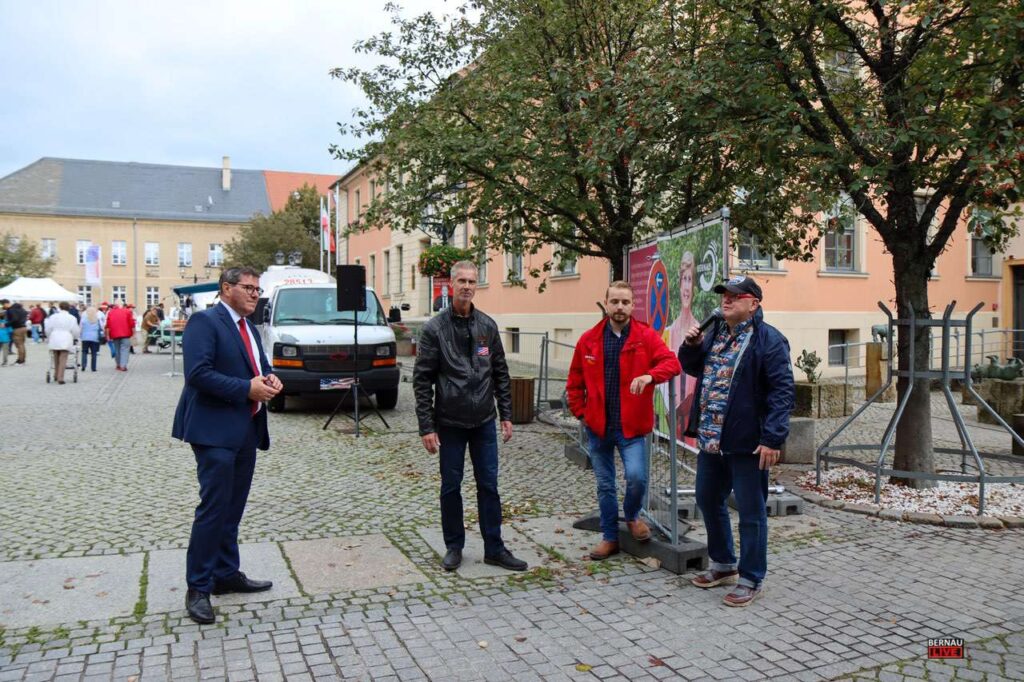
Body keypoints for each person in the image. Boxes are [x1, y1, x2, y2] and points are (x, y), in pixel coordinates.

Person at [172, 266, 282, 625]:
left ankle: (225, 573)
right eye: (248, 288)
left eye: (257, 289)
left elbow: (257, 366)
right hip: (213, 430)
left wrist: (270, 377)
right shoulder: (206, 322)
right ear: (226, 289)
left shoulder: (249, 327)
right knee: (213, 509)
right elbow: (198, 373)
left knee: (233, 508)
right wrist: (246, 389)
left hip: (245, 429)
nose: (254, 294)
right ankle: (198, 587)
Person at [678, 275, 794, 607]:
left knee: (750, 510)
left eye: (734, 295)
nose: (726, 300)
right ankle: (723, 563)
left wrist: (772, 438)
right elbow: (693, 368)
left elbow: (782, 393)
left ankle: (751, 577)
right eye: (723, 295)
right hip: (712, 438)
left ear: (754, 303)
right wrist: (691, 346)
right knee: (706, 498)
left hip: (748, 441)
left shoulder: (769, 340)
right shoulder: (714, 332)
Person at [413, 260, 527, 573]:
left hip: (483, 422)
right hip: (449, 422)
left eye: (471, 281)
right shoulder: (435, 329)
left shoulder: (487, 326)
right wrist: (426, 426)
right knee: (451, 486)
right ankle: (454, 546)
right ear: (451, 285)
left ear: (476, 286)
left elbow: (501, 372)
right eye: (461, 281)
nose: (466, 286)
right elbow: (422, 380)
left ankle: (494, 547)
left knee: (489, 485)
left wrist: (506, 413)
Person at [566, 281, 681, 560]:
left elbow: (672, 363)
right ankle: (609, 537)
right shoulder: (589, 339)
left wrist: (649, 376)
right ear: (606, 303)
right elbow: (574, 382)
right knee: (605, 484)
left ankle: (631, 515)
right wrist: (582, 413)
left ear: (632, 305)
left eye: (625, 302)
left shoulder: (646, 336)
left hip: (632, 428)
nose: (620, 307)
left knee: (637, 477)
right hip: (599, 428)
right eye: (615, 302)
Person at [665, 252, 699, 440]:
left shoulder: (700, 330)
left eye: (690, 280)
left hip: (692, 430)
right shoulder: (669, 332)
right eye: (683, 280)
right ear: (679, 285)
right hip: (672, 425)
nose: (686, 287)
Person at [45, 302, 80, 384]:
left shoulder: (53, 317)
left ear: (60, 307)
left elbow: (48, 329)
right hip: (66, 337)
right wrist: (75, 338)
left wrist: (49, 336)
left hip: (54, 337)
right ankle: (60, 377)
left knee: (55, 357)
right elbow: (75, 330)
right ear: (68, 308)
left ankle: (56, 374)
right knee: (63, 358)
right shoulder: (72, 318)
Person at [105, 301, 135, 371]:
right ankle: (123, 365)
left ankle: (118, 364)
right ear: (122, 305)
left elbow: (108, 324)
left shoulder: (111, 312)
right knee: (125, 349)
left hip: (114, 334)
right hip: (126, 333)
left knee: (117, 349)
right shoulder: (127, 311)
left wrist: (107, 335)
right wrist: (133, 332)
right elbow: (131, 323)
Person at [79, 306, 103, 371]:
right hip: (94, 338)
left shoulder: (83, 319)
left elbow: (80, 328)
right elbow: (101, 328)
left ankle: (83, 366)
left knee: (84, 352)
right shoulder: (97, 320)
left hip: (85, 337)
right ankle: (93, 367)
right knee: (94, 353)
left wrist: (80, 336)